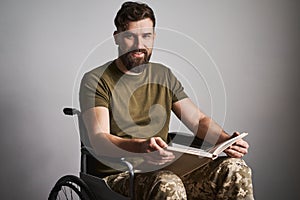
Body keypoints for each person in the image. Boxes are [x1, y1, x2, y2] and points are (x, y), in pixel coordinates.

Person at [79, 1, 254, 199]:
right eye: (130, 37)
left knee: (234, 168)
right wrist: (141, 147)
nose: (139, 45)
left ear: (153, 37)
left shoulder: (163, 75)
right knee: (168, 183)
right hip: (119, 176)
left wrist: (225, 140)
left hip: (165, 170)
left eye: (146, 36)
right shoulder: (96, 79)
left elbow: (198, 121)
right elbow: (100, 140)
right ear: (117, 38)